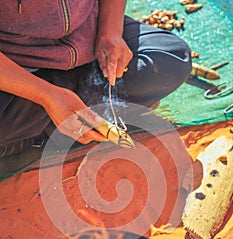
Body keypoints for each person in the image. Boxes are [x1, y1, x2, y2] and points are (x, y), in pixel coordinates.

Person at [0, 0, 192, 159]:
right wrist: (44, 94)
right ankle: (51, 125)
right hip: (16, 68)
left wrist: (111, 31)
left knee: (171, 60)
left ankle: (45, 125)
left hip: (89, 39)